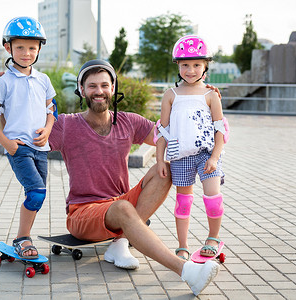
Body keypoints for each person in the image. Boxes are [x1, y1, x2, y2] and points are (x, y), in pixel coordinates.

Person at [48, 59, 220, 296]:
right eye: (92, 86)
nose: (99, 91)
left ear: (113, 88)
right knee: (122, 209)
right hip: (83, 212)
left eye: (105, 85)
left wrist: (200, 98)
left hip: (120, 204)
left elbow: (171, 132)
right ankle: (187, 271)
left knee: (165, 169)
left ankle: (119, 242)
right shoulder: (66, 124)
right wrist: (2, 108)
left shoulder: (128, 121)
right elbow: (26, 141)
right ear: (81, 90)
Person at [0, 16, 56, 259]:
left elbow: (51, 110)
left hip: (40, 148)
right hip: (19, 148)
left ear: (39, 49)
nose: (26, 53)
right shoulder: (4, 81)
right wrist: (7, 144)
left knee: (37, 193)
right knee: (36, 193)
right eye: (20, 47)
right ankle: (23, 239)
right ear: (8, 48)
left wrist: (48, 130)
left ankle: (23, 237)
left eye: (32, 47)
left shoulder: (43, 80)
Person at [155, 35, 229, 262]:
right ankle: (183, 245)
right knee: (183, 201)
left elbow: (220, 130)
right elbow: (162, 131)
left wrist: (215, 157)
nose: (191, 70)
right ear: (177, 65)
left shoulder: (210, 94)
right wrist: (159, 160)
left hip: (207, 155)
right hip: (180, 156)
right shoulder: (171, 95)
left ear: (205, 66)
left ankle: (213, 238)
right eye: (185, 64)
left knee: (212, 196)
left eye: (197, 64)